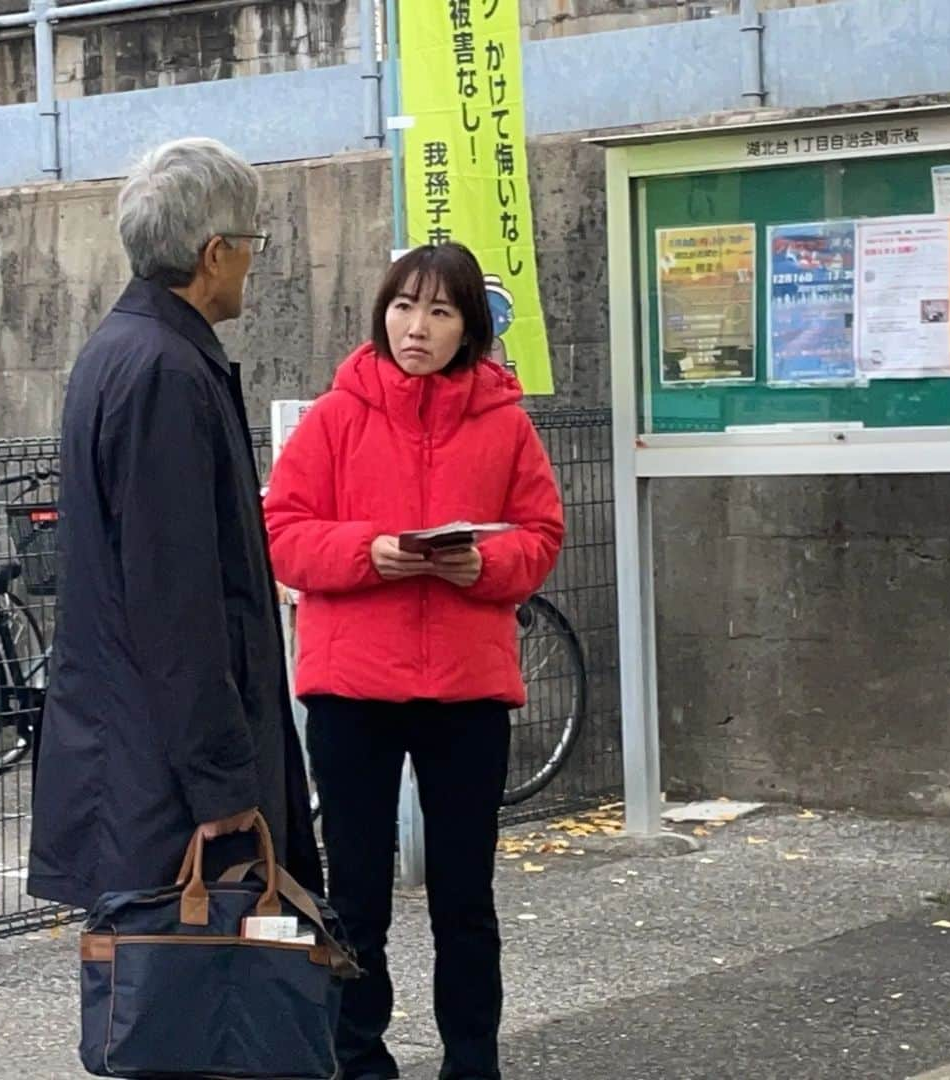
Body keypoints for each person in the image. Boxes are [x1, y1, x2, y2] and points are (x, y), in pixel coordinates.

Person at [263, 242, 565, 1080]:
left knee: (464, 899)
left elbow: (540, 536)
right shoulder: (335, 416)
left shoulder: (505, 423)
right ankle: (358, 1059)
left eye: (439, 311)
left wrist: (486, 567)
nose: (416, 327)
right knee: (356, 898)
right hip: (353, 690)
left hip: (466, 691)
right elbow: (283, 534)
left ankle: (473, 1061)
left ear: (469, 326)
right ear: (382, 313)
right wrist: (371, 551)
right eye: (403, 306)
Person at [28, 137, 321, 912]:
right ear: (214, 252)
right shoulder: (166, 370)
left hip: (130, 754)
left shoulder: (121, 349)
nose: (254, 261)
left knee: (154, 998)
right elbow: (177, 598)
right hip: (164, 776)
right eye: (250, 242)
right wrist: (224, 780)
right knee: (191, 1001)